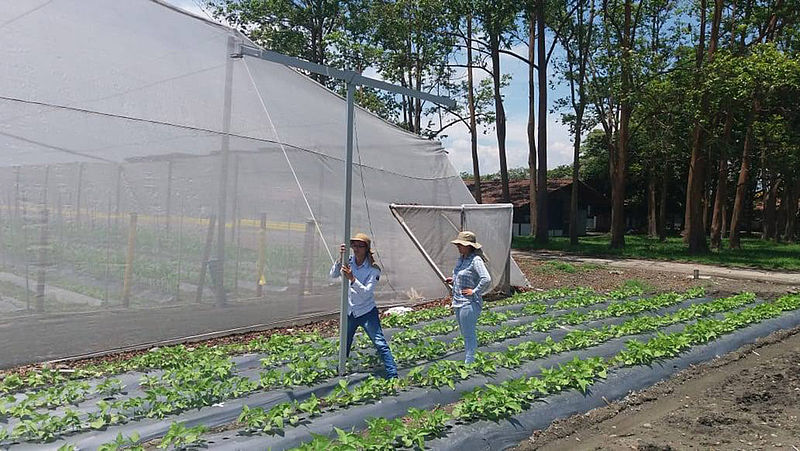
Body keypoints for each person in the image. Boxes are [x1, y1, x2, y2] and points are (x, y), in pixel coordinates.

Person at [330, 232, 398, 379]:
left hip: (367, 312)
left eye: (360, 245)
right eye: (354, 245)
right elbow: (333, 275)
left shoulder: (373, 269)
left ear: (367, 248)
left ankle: (393, 375)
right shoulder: (348, 261)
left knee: (379, 343)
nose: (356, 248)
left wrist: (352, 279)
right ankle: (339, 372)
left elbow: (367, 293)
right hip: (351, 311)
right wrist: (339, 259)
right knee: (344, 343)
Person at [445, 231, 491, 364]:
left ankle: (469, 363)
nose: (458, 247)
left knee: (469, 334)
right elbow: (464, 276)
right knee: (465, 333)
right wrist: (453, 280)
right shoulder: (462, 259)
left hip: (469, 303)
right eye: (458, 244)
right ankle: (469, 360)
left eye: (461, 244)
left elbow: (486, 279)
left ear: (469, 246)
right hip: (458, 302)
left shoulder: (475, 260)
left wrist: (475, 291)